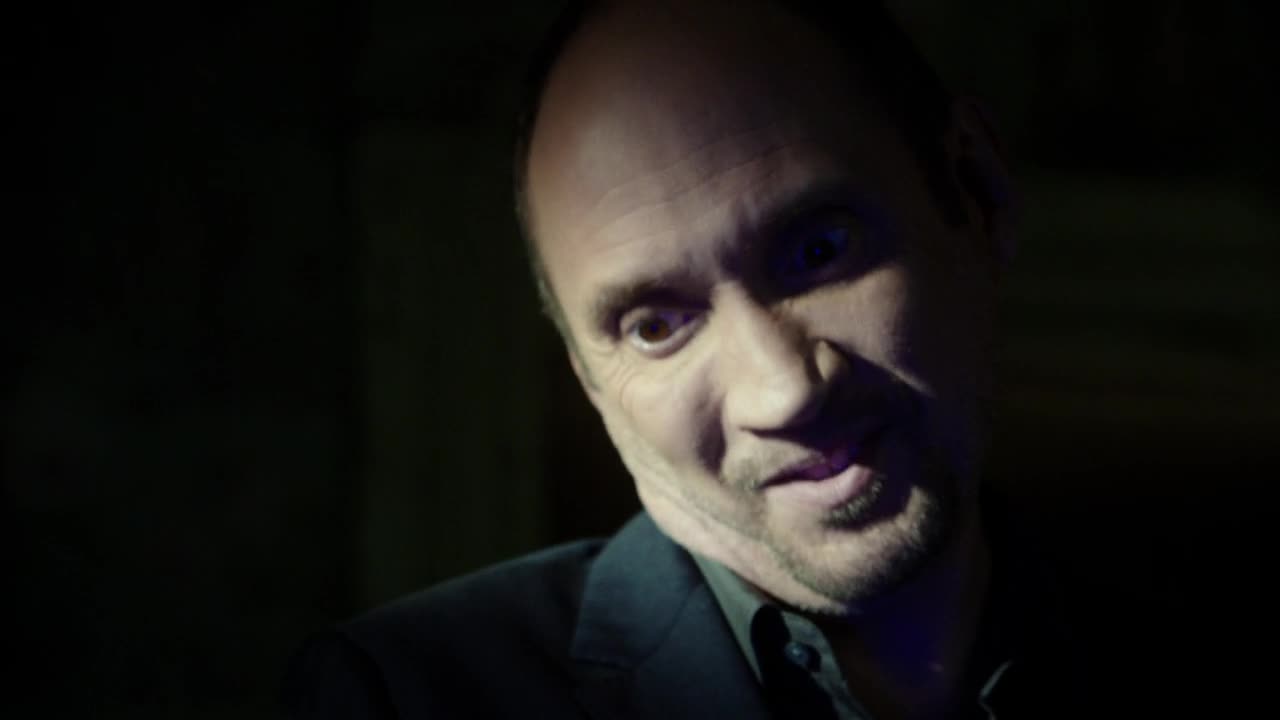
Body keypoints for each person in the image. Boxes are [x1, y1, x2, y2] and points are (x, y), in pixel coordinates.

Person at [287, 1, 1098, 717]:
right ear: (588, 378)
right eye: (655, 327)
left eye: (819, 250)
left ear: (977, 192)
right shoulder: (403, 699)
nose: (780, 392)